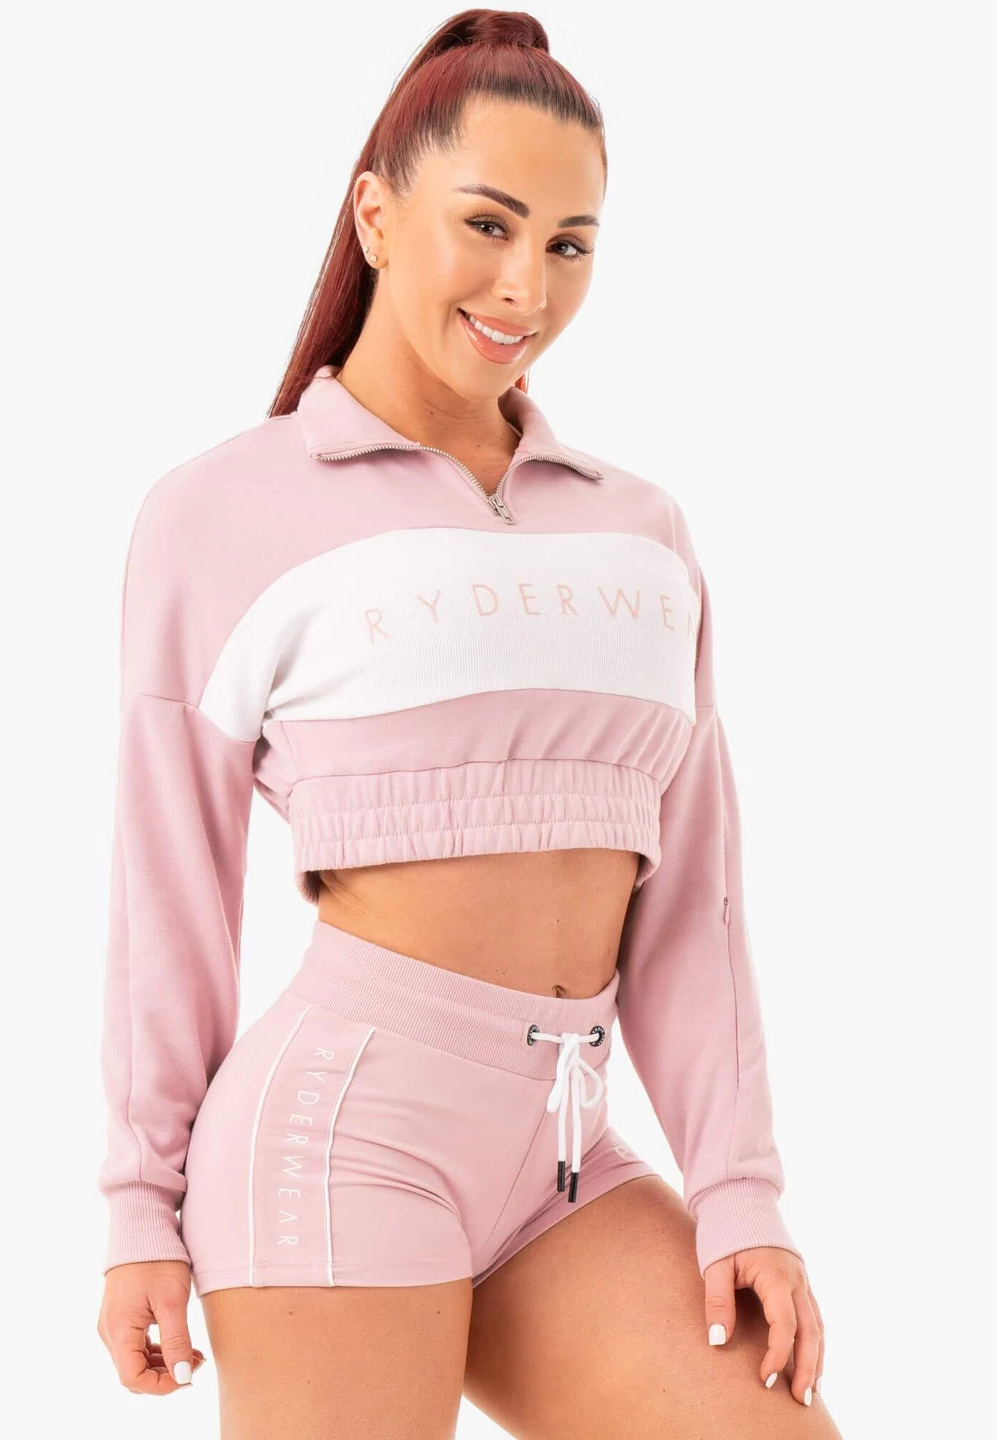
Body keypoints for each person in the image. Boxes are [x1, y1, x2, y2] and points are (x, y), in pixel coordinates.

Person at [95, 10, 841, 1437]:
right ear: (377, 214)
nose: (526, 286)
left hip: (565, 1156)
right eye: (487, 224)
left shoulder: (641, 530)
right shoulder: (222, 512)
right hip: (340, 1137)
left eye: (570, 244)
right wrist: (141, 1202)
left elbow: (694, 894)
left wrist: (740, 1186)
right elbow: (168, 883)